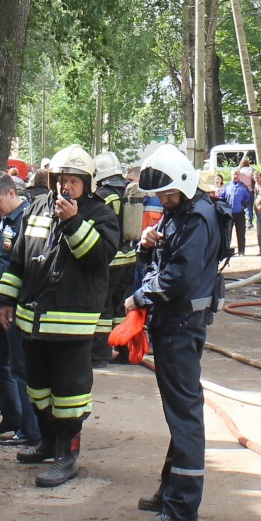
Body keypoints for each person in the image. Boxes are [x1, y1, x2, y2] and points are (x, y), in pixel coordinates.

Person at [0, 144, 120, 487]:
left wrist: (73, 222)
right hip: (32, 323)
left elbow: (98, 259)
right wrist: (6, 300)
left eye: (73, 181)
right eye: (60, 180)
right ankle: (47, 443)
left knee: (69, 394)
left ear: (87, 183)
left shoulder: (100, 213)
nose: (64, 187)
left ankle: (67, 457)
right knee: (38, 388)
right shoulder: (35, 208)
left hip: (70, 325)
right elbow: (19, 259)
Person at [125, 145, 225, 521]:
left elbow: (178, 278)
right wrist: (147, 246)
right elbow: (164, 262)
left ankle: (183, 507)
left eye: (167, 196)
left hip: (181, 327)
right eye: (160, 197)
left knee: (184, 413)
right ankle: (172, 490)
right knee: (177, 409)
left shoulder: (197, 219)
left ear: (183, 185)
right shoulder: (180, 213)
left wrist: (139, 296)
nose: (163, 203)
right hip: (173, 325)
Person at [0, 171, 38, 449]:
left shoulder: (28, 220)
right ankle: (12, 418)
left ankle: (30, 430)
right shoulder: (4, 220)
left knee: (20, 366)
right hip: (0, 300)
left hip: (15, 304)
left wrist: (12, 302)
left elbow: (26, 266)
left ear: (11, 193)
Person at [91, 152, 138, 369]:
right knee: (122, 307)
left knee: (103, 308)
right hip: (130, 257)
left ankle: (99, 355)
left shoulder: (102, 195)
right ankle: (126, 351)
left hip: (110, 260)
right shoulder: (128, 191)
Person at [220, 170, 253, 257]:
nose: (235, 176)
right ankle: (226, 250)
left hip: (240, 214)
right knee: (227, 233)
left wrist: (243, 206)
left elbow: (248, 199)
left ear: (240, 175)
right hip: (228, 214)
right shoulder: (226, 186)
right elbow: (221, 197)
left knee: (241, 233)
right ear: (231, 175)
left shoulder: (244, 187)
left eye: (237, 174)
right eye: (234, 174)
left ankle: (241, 251)